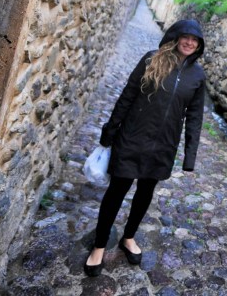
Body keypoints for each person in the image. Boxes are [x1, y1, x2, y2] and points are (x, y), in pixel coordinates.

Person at [84, 19, 206, 276]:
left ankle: (128, 237)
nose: (189, 42)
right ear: (176, 36)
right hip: (132, 138)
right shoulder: (152, 59)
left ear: (199, 45)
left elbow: (195, 117)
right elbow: (128, 94)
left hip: (163, 146)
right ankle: (99, 245)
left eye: (195, 40)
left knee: (145, 193)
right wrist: (110, 131)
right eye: (186, 37)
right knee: (117, 191)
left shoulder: (198, 76)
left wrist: (189, 156)